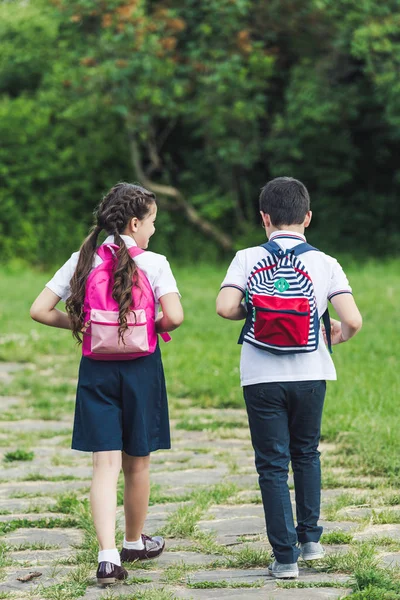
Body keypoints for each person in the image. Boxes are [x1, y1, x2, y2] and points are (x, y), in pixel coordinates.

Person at [30, 183, 184, 584]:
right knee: (139, 462)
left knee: (105, 465)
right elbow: (175, 317)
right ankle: (133, 540)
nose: (153, 231)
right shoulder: (155, 263)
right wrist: (148, 327)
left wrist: (82, 325)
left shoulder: (81, 260)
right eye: (152, 223)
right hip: (142, 369)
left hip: (96, 368)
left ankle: (108, 555)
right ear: (134, 223)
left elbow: (39, 310)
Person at [216, 177, 362, 579]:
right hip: (312, 371)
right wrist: (338, 334)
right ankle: (311, 541)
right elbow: (352, 319)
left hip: (260, 376)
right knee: (307, 453)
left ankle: (285, 559)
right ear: (307, 217)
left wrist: (261, 312)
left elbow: (225, 307)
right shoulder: (325, 263)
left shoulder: (247, 258)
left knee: (272, 465)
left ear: (264, 217)